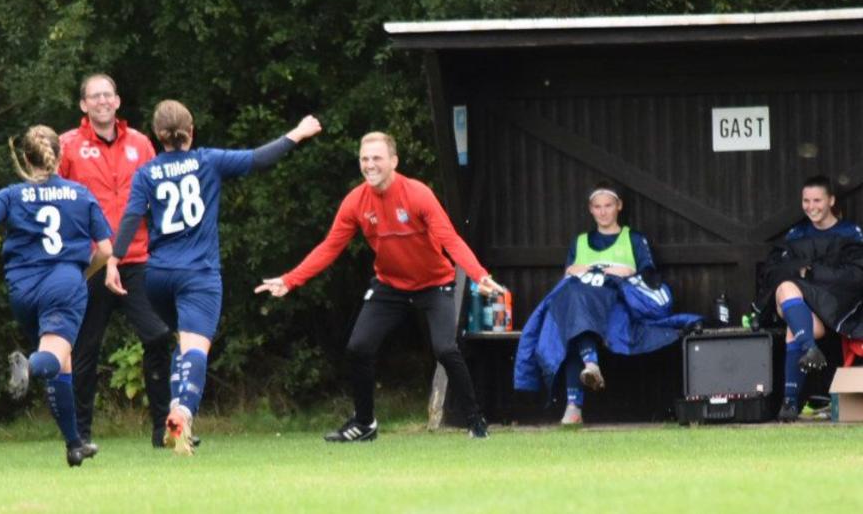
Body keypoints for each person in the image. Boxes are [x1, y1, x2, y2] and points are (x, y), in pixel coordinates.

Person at [254, 131, 504, 442]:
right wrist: (291, 279)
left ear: (394, 161)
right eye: (364, 159)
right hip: (390, 285)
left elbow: (450, 239)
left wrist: (478, 274)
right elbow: (330, 247)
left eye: (377, 158)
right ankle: (364, 424)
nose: (370, 165)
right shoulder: (355, 202)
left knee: (445, 349)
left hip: (434, 283)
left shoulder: (418, 194)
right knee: (358, 347)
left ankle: (475, 422)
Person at [106, 100, 321, 454]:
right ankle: (182, 412)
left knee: (182, 343)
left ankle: (176, 410)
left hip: (157, 276)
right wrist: (297, 133)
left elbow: (131, 218)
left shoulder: (146, 172)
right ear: (190, 131)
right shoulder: (207, 160)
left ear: (158, 136)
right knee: (196, 349)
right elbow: (258, 158)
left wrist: (115, 259)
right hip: (198, 274)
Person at [0, 126, 113, 467]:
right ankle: (27, 365)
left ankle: (75, 444)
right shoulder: (80, 194)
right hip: (63, 286)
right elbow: (105, 250)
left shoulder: (11, 194)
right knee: (49, 359)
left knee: (63, 362)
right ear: (60, 157)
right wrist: (82, 274)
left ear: (26, 159)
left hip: (23, 290)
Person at [513, 181, 699, 425]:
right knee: (573, 310)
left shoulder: (633, 238)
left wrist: (620, 272)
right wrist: (589, 270)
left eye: (608, 205)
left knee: (574, 321)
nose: (603, 212)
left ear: (619, 206)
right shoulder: (579, 242)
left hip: (615, 307)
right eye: (597, 206)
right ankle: (588, 364)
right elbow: (568, 278)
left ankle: (574, 404)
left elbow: (648, 278)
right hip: (582, 308)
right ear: (590, 209)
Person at [59, 73, 173, 448]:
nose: (103, 101)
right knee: (85, 348)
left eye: (108, 94)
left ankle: (164, 430)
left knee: (157, 336)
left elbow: (160, 196)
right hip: (90, 262)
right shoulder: (68, 146)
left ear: (118, 101)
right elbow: (53, 199)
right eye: (95, 96)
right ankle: (80, 435)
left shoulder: (140, 143)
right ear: (83, 105)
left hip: (137, 258)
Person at [757, 175, 863, 422]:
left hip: (837, 307)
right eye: (806, 200)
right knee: (785, 288)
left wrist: (811, 271)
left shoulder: (850, 233)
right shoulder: (796, 234)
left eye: (817, 200)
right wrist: (800, 270)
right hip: (803, 306)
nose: (811, 206)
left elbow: (855, 277)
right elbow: (773, 270)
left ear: (831, 201)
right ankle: (810, 350)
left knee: (795, 327)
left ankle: (790, 403)